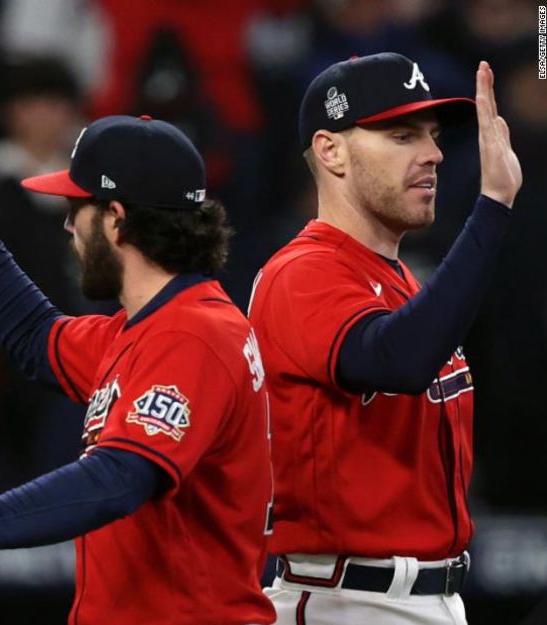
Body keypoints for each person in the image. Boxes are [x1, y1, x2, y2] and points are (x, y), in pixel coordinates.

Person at [0, 73, 276, 625]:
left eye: (75, 208)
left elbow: (115, 480)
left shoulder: (191, 335)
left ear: (115, 219)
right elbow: (33, 334)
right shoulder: (146, 329)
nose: (66, 226)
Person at [247, 54, 521, 625]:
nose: (433, 154)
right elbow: (399, 360)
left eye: (432, 135)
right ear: (331, 151)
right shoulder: (301, 273)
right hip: (347, 600)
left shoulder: (397, 281)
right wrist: (492, 206)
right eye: (401, 135)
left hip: (424, 595)